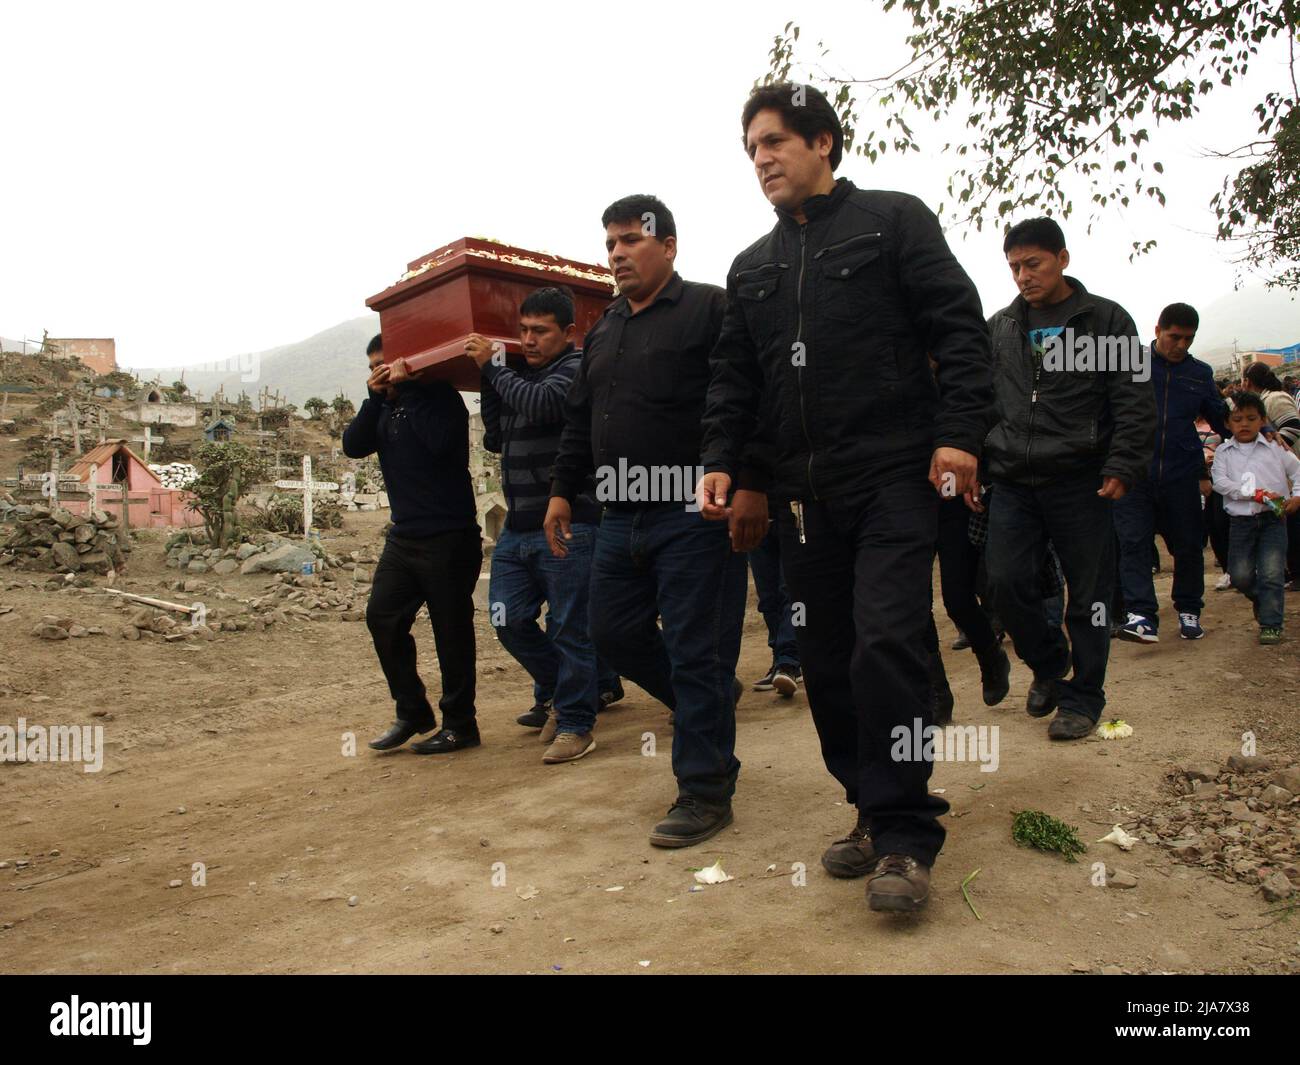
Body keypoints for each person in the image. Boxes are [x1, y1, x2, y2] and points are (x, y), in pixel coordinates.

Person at [698, 83, 994, 913]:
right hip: (803, 501)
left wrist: (961, 432)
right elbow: (737, 380)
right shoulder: (751, 267)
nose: (760, 159)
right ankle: (869, 804)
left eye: (773, 142)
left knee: (886, 641)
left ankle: (905, 834)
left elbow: (958, 329)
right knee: (826, 661)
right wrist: (731, 463)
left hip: (896, 477)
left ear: (823, 142)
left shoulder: (893, 222)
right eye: (750, 149)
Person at [545, 194, 754, 848]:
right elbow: (582, 421)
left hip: (694, 510)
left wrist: (735, 474)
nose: (616, 254)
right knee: (612, 632)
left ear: (668, 245)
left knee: (696, 651)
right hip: (618, 515)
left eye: (631, 240)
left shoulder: (712, 309)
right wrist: (559, 491)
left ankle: (704, 789)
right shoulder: (605, 328)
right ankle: (710, 702)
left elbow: (736, 399)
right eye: (610, 243)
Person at [981, 217, 1155, 741]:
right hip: (1012, 478)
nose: (1023, 276)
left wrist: (1123, 463)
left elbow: (1134, 396)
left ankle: (1084, 697)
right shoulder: (1002, 327)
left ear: (1062, 258)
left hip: (1082, 479)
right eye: (1014, 267)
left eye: (1032, 263)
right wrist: (976, 457)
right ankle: (1051, 664)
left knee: (1089, 594)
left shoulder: (1105, 320)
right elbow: (982, 401)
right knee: (1004, 583)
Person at [476, 287, 607, 764]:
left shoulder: (574, 370)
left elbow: (545, 405)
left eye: (540, 331)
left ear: (568, 333)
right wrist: (490, 382)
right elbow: (495, 434)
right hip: (517, 524)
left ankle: (576, 723)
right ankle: (563, 689)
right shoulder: (517, 380)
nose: (528, 340)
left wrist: (494, 368)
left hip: (571, 520)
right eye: (523, 331)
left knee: (570, 627)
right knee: (506, 617)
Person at [344, 334, 484, 754]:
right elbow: (353, 446)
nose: (379, 372)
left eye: (386, 364)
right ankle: (413, 712)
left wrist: (408, 388)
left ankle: (461, 724)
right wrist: (376, 398)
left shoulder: (440, 397)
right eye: (372, 367)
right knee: (382, 618)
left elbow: (440, 445)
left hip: (450, 537)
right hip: (404, 538)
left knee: (451, 633)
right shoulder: (383, 407)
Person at [1113, 303, 1227, 643]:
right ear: (1158, 330)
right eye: (1174, 337)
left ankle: (1189, 611)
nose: (1181, 345)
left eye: (1188, 339)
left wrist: (1264, 432)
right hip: (1133, 474)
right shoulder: (1130, 365)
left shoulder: (1200, 374)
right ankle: (1142, 616)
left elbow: (1222, 418)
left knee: (1189, 545)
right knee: (1132, 544)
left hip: (1181, 474)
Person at [1210, 391, 1300, 644]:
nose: (1244, 424)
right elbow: (1221, 484)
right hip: (1241, 523)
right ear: (1227, 423)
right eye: (1238, 419)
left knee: (1272, 573)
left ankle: (1271, 624)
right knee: (1240, 575)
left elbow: (1297, 471)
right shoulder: (1224, 453)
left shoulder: (1276, 448)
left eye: (1251, 418)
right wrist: (1254, 494)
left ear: (1263, 420)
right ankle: (1262, 600)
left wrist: (1296, 496)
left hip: (1273, 519)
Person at [1242, 361, 1300, 584]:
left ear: (1248, 381)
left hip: (1287, 475)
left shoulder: (1275, 398)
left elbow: (1293, 427)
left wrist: (1269, 455)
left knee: (1293, 525)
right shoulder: (1262, 401)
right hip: (1276, 479)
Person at [747, 518, 802, 696]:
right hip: (755, 518)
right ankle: (780, 659)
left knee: (793, 592)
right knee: (768, 598)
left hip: (791, 512)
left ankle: (789, 660)